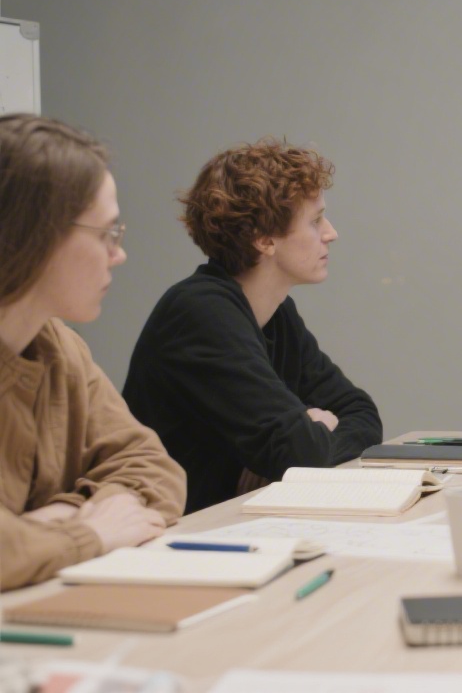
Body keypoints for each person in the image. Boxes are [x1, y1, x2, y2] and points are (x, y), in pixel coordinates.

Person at [123, 139, 382, 513]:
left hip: (231, 523)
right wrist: (313, 431)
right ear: (263, 239)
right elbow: (302, 453)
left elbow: (362, 413)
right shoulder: (200, 313)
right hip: (173, 536)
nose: (331, 233)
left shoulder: (277, 312)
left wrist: (310, 437)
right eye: (314, 221)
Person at [0, 114, 186, 591]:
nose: (118, 254)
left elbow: (152, 465)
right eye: (106, 233)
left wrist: (59, 516)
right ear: (34, 236)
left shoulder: (58, 346)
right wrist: (90, 533)